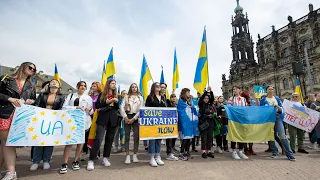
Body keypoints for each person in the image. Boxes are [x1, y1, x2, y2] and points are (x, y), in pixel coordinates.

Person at [0, 62, 37, 179]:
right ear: (23, 67)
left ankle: (10, 172)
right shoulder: (7, 79)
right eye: (30, 67)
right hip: (6, 113)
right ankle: (11, 172)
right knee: (7, 142)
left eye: (34, 69)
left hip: (20, 117)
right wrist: (9, 98)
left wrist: (30, 101)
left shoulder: (31, 86)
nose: (32, 70)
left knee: (5, 143)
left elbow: (33, 99)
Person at [30, 79, 65, 171]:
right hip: (41, 120)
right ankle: (35, 161)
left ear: (59, 86)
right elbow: (36, 105)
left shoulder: (61, 97)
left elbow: (61, 109)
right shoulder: (43, 94)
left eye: (56, 82)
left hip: (53, 121)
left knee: (49, 141)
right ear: (49, 85)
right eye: (52, 82)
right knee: (39, 141)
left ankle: (46, 161)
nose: (54, 82)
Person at [60, 81, 93, 174]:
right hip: (72, 121)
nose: (83, 87)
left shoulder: (88, 98)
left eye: (84, 86)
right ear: (77, 86)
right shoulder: (71, 96)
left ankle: (75, 161)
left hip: (84, 122)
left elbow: (91, 111)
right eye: (81, 85)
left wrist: (89, 110)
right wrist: (76, 108)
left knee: (80, 142)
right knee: (69, 142)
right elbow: (64, 107)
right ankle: (64, 163)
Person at [87, 79, 120, 170]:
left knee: (109, 140)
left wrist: (116, 102)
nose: (114, 85)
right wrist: (107, 102)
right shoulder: (102, 94)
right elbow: (97, 105)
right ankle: (91, 159)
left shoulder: (116, 95)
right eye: (112, 83)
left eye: (115, 83)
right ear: (108, 84)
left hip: (113, 119)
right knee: (98, 139)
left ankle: (105, 158)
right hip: (102, 119)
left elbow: (117, 108)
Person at [260, 86, 295, 161]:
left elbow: (282, 109)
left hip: (277, 117)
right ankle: (275, 152)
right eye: (269, 89)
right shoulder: (263, 100)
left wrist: (278, 107)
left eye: (272, 89)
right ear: (266, 91)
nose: (271, 90)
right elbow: (261, 110)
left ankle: (289, 154)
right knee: (271, 136)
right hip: (268, 119)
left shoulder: (277, 98)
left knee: (282, 135)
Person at [119, 83, 143, 164]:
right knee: (127, 135)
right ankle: (127, 155)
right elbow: (121, 107)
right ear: (130, 88)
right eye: (132, 87)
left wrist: (134, 118)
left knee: (136, 135)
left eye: (135, 87)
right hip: (127, 116)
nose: (134, 88)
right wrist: (125, 117)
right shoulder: (126, 96)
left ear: (137, 88)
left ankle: (135, 154)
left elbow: (141, 109)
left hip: (135, 117)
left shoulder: (140, 97)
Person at [144, 82, 165, 167]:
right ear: (153, 88)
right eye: (157, 86)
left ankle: (157, 156)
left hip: (161, 122)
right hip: (152, 122)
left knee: (159, 139)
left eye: (159, 86)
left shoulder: (163, 97)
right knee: (152, 139)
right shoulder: (150, 97)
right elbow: (146, 109)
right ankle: (152, 157)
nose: (159, 87)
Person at [81, 82, 102, 161]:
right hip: (88, 118)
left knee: (97, 137)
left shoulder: (101, 96)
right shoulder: (88, 97)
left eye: (94, 86)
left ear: (98, 87)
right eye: (92, 86)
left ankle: (96, 153)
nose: (93, 87)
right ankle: (84, 152)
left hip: (97, 118)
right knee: (86, 136)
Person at [228, 85, 249, 160]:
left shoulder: (243, 99)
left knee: (241, 135)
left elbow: (246, 108)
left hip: (242, 119)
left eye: (236, 89)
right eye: (233, 89)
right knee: (234, 135)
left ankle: (240, 151)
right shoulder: (231, 99)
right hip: (234, 120)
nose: (235, 90)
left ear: (239, 90)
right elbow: (229, 108)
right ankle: (234, 151)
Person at [177, 88, 198, 161]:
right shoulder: (180, 101)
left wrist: (191, 105)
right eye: (188, 92)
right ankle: (181, 153)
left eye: (189, 92)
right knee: (184, 139)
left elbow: (192, 108)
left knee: (189, 138)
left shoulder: (189, 101)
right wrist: (189, 106)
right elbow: (181, 111)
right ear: (184, 93)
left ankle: (187, 151)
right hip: (184, 122)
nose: (189, 94)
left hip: (189, 122)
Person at [160, 83, 179, 161]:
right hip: (157, 121)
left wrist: (173, 104)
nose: (163, 89)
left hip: (166, 121)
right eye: (161, 87)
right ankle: (155, 155)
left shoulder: (166, 99)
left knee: (169, 137)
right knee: (156, 139)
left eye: (165, 88)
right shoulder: (153, 98)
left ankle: (169, 153)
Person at [198, 92, 216, 159]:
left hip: (210, 123)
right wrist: (205, 92)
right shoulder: (201, 105)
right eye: (205, 98)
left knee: (210, 138)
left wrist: (210, 92)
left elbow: (212, 99)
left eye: (207, 98)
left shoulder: (210, 105)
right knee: (204, 138)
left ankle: (208, 151)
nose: (206, 99)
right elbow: (200, 100)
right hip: (203, 123)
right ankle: (203, 151)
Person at [241, 90, 257, 156]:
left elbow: (254, 110)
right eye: (248, 96)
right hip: (244, 120)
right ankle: (246, 149)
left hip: (251, 120)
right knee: (245, 136)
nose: (249, 97)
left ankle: (251, 149)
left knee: (251, 135)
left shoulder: (252, 102)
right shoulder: (242, 102)